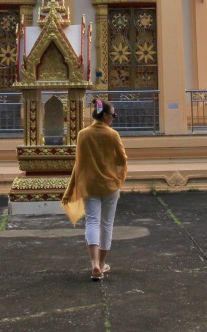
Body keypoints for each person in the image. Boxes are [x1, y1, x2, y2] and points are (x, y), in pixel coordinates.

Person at [62, 98, 129, 281]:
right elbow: (123, 159)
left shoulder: (83, 134)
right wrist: (112, 169)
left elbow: (80, 161)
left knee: (92, 222)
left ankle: (94, 265)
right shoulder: (112, 134)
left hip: (89, 184)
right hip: (109, 185)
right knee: (106, 224)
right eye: (113, 115)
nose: (113, 119)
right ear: (106, 116)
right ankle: (102, 263)